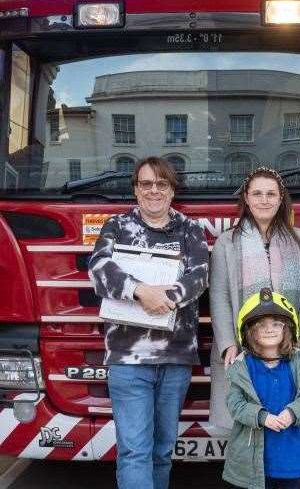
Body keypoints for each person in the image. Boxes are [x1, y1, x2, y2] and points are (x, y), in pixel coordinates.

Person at [88, 157, 209, 489]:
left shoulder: (190, 229)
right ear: (135, 189)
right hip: (128, 360)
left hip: (176, 360)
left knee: (162, 452)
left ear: (171, 190)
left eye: (162, 184)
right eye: (146, 184)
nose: (153, 191)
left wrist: (165, 298)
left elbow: (199, 276)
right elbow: (98, 268)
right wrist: (140, 291)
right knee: (134, 452)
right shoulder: (116, 225)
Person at [209, 166, 300, 431]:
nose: (264, 200)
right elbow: (219, 295)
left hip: (287, 347)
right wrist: (227, 345)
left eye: (271, 194)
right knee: (247, 421)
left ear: (281, 198)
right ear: (246, 198)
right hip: (242, 347)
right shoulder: (227, 242)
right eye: (257, 193)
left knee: (285, 420)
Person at [223, 288, 300, 489]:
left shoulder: (299, 361)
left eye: (276, 324)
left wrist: (293, 412)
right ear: (250, 331)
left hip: (292, 460)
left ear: (288, 328)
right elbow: (234, 403)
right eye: (261, 325)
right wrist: (262, 417)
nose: (270, 329)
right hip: (253, 463)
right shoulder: (243, 366)